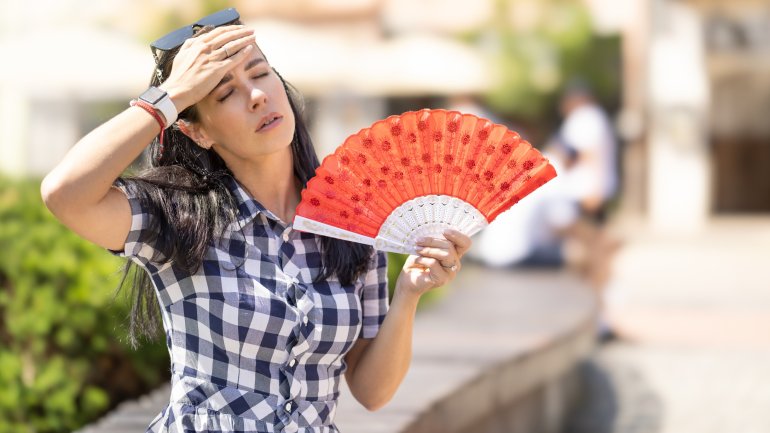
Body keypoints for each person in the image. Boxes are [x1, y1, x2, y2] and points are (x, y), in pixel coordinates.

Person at [40, 8, 471, 433]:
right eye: (224, 94)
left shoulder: (351, 222)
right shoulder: (177, 218)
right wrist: (170, 97)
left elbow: (372, 392)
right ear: (198, 131)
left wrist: (409, 294)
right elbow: (65, 195)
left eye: (260, 73)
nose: (257, 96)